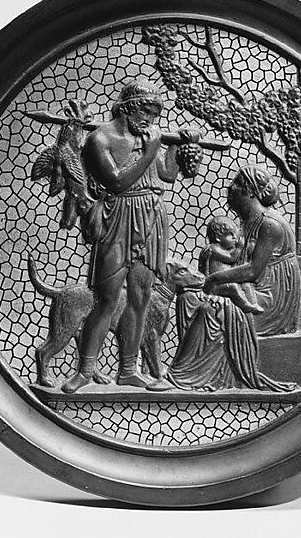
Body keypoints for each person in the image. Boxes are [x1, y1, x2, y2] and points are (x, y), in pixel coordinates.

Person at [61, 79, 180, 393]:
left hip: (151, 216)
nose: (151, 120)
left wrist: (176, 147)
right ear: (127, 108)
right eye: (146, 112)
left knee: (141, 298)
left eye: (155, 115)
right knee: (107, 298)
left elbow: (166, 175)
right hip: (118, 217)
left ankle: (128, 370)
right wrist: (151, 149)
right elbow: (116, 182)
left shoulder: (146, 136)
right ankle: (85, 370)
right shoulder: (100, 139)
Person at [165, 165, 301, 392]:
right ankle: (200, 370)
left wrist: (214, 279)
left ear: (250, 191)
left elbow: (253, 270)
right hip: (249, 287)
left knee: (211, 309)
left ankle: (185, 376)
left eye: (237, 184)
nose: (231, 188)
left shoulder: (270, 224)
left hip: (269, 299)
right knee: (187, 298)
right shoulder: (246, 222)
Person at [199, 216, 263, 314]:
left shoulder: (220, 248)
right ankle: (245, 305)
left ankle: (253, 304)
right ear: (218, 238)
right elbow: (231, 257)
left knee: (246, 285)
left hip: (222, 282)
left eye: (235, 234)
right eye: (230, 235)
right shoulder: (212, 249)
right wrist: (239, 247)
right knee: (233, 287)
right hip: (213, 286)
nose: (235, 238)